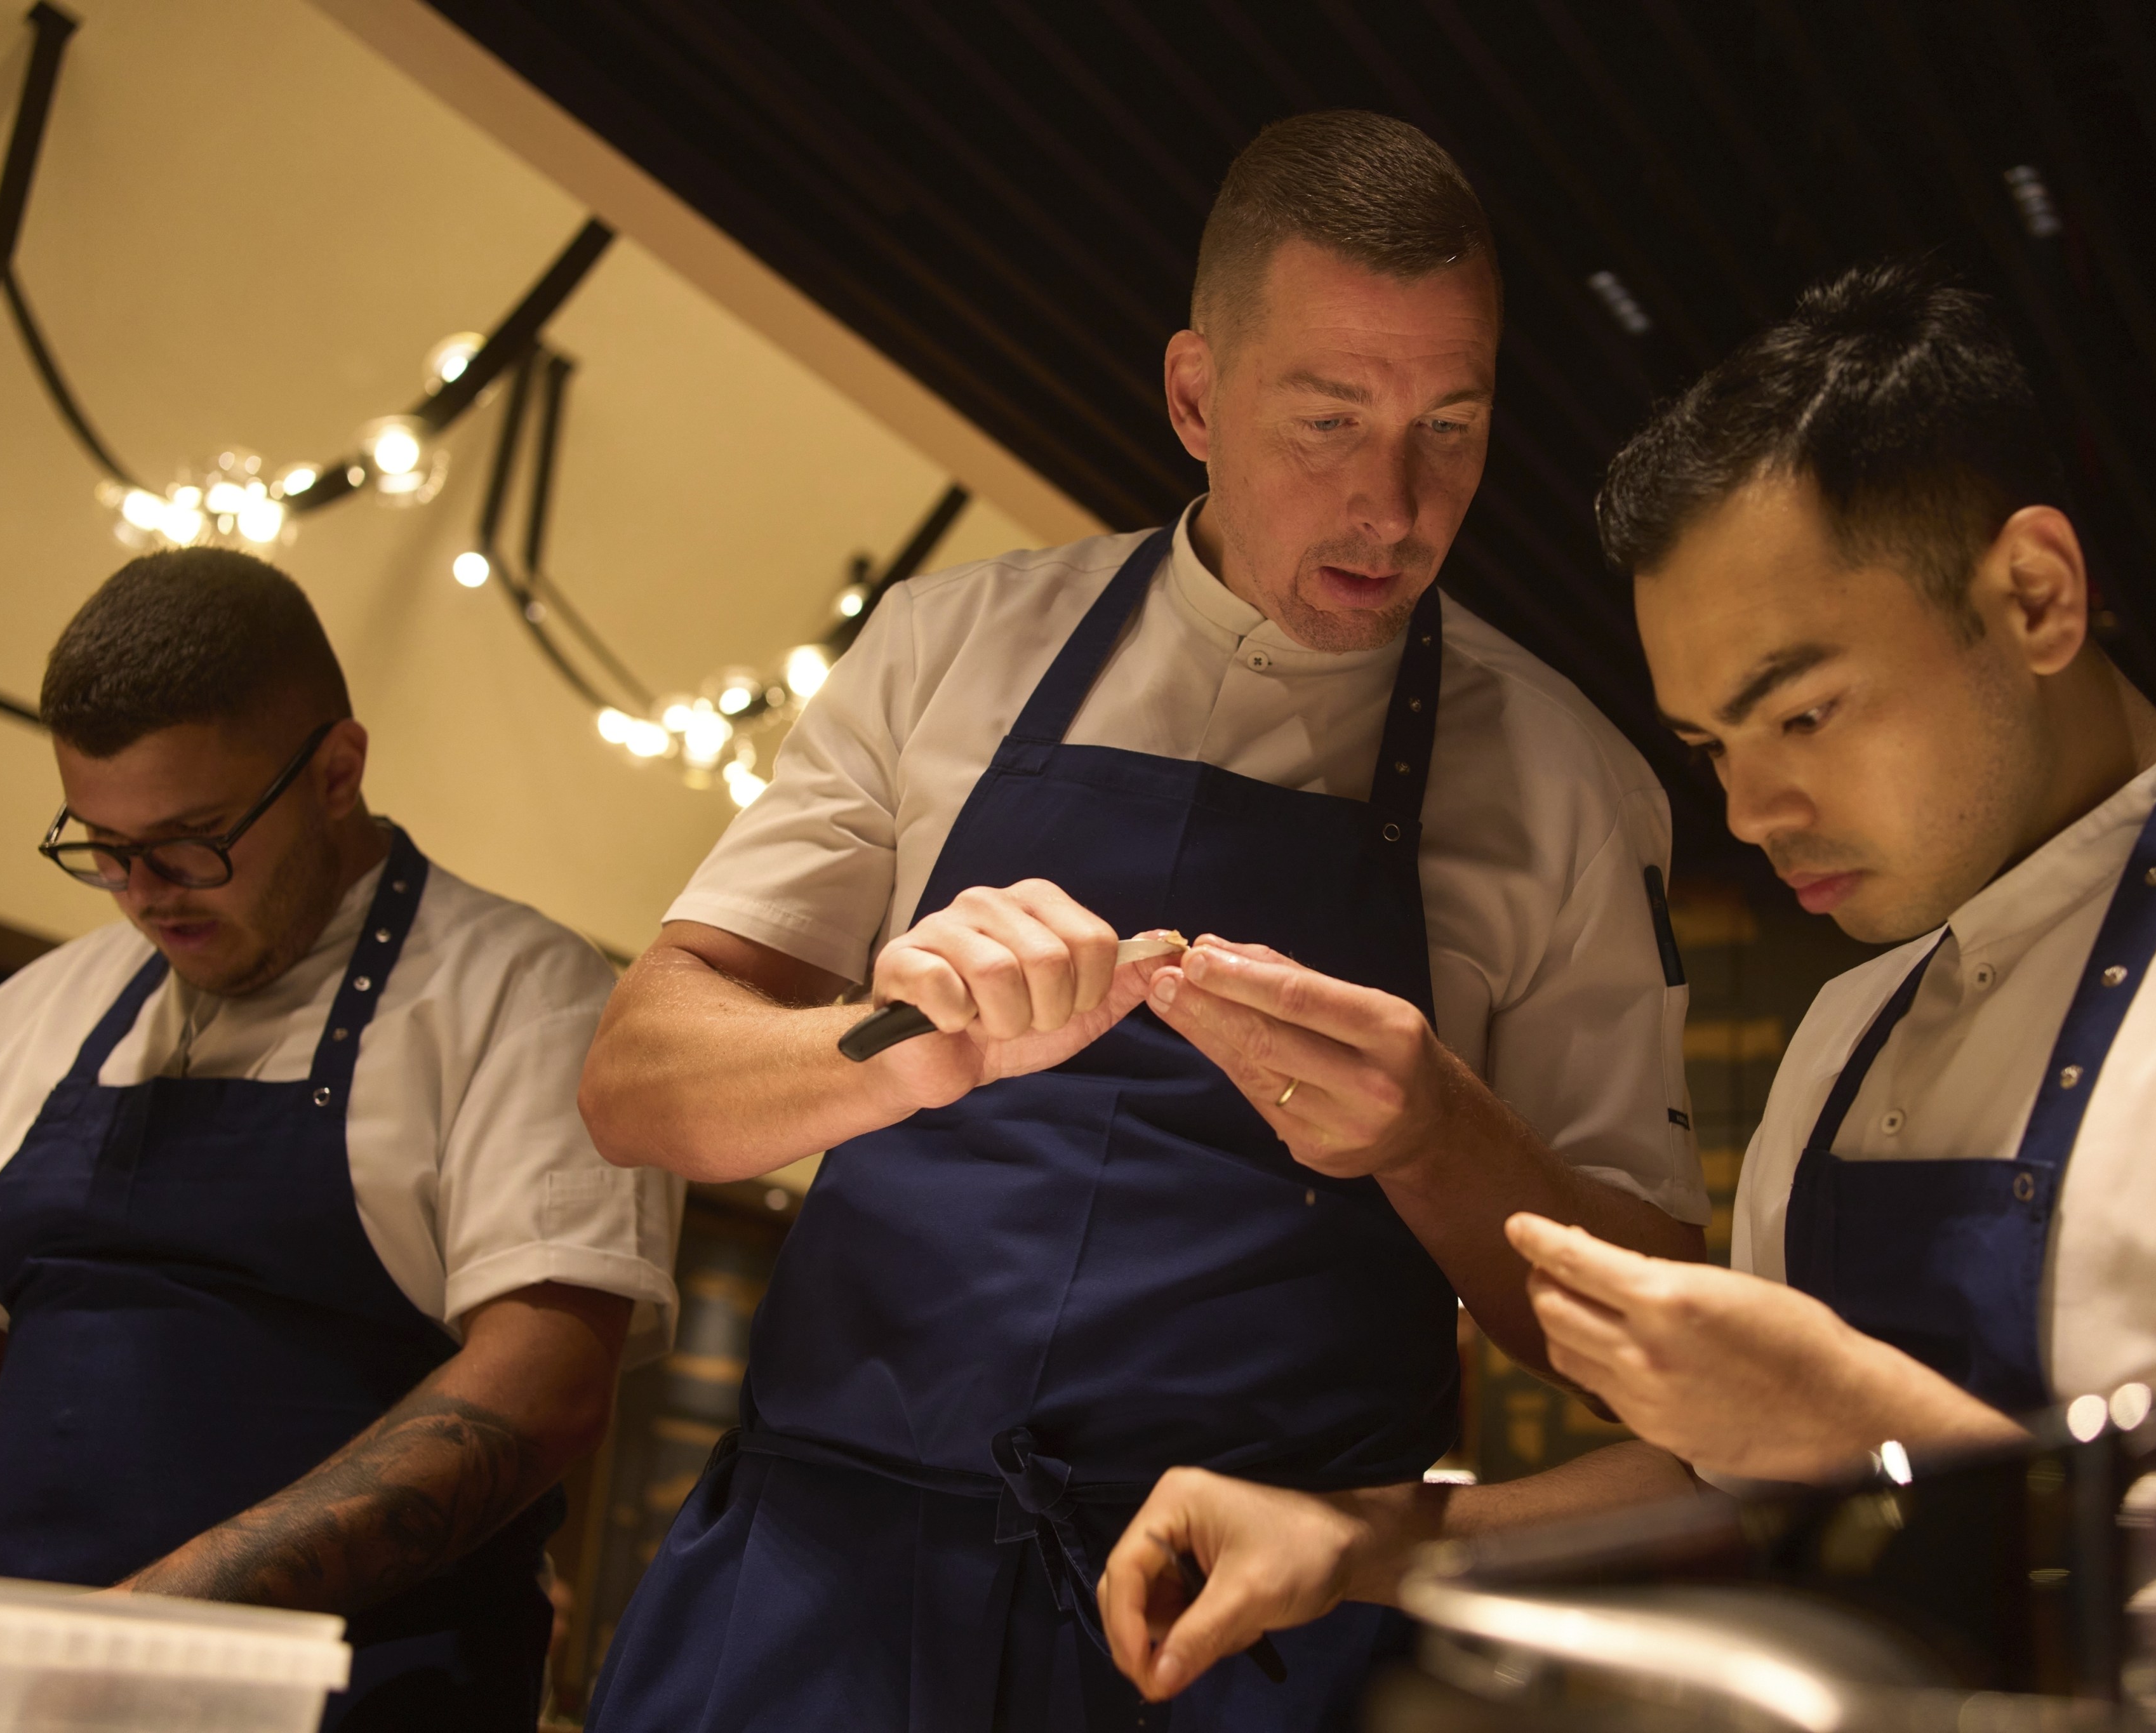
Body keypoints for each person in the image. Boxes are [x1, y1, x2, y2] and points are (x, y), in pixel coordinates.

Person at [1095, 262, 2156, 1729]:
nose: (1749, 806)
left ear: (2034, 597)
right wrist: (1361, 1541)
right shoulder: (1847, 1035)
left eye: (1800, 712)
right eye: (1709, 743)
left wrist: (1857, 1430)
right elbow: (1725, 1487)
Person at [576, 111, 1707, 1732]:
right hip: (820, 1594)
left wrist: (1432, 1134)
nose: (1393, 505)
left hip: (1239, 1645)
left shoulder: (1570, 784)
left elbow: (1653, 1337)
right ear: (1194, 395)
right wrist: (898, 1047)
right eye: (1326, 420)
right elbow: (636, 1079)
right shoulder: (942, 650)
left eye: (1448, 430)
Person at [0, 550, 684, 1732]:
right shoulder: (33, 1012)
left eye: (192, 841)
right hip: (5, 1694)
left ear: (338, 771)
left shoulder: (527, 998)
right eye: (103, 848)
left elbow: (543, 1389)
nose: (145, 893)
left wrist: (159, 1619)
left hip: (354, 1700)